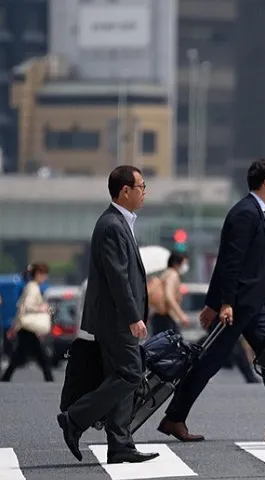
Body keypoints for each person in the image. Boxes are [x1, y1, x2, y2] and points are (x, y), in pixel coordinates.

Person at [156, 158, 265, 444]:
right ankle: (174, 418)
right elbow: (229, 262)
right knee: (207, 363)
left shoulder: (255, 213)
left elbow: (226, 262)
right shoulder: (245, 214)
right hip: (237, 308)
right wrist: (222, 304)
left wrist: (214, 302)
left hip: (252, 307)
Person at [57, 165, 157, 464]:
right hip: (115, 319)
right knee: (130, 374)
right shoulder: (112, 224)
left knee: (122, 375)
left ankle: (120, 444)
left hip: (117, 318)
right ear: (125, 191)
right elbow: (118, 277)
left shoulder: (120, 222)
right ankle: (75, 418)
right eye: (141, 186)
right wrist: (132, 316)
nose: (144, 191)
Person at [2, 263, 54, 382]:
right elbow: (28, 306)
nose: (45, 278)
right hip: (27, 328)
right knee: (40, 356)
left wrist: (14, 327)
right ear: (38, 275)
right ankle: (49, 378)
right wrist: (42, 308)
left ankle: (5, 377)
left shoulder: (29, 286)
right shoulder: (33, 287)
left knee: (20, 356)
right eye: (44, 275)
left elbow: (20, 309)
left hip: (24, 328)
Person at [148, 252, 190, 336]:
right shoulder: (172, 274)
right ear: (176, 263)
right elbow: (169, 296)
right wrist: (181, 315)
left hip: (159, 317)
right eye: (184, 263)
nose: (184, 267)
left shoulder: (166, 273)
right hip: (166, 318)